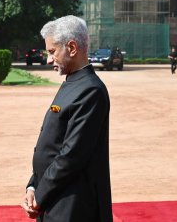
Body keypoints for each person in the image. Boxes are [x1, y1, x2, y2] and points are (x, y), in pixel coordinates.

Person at [21, 15, 113, 222]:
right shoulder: (72, 83)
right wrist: (33, 185)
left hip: (74, 206)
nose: (48, 59)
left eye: (52, 52)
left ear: (72, 47)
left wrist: (40, 195)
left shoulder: (91, 90)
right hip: (53, 197)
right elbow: (51, 145)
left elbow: (71, 155)